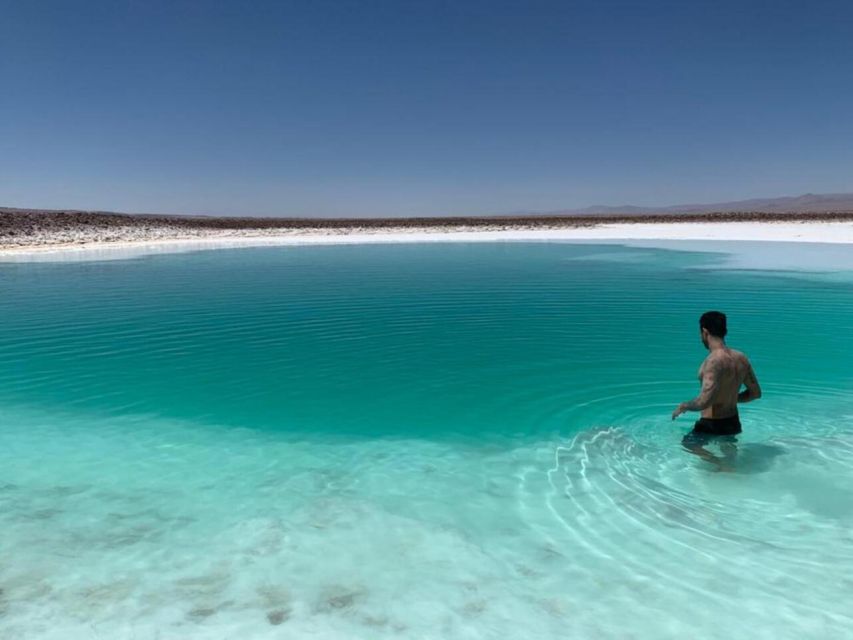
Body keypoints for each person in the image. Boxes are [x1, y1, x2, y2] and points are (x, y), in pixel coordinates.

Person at [672, 311, 762, 469]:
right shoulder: (741, 357)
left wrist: (684, 405)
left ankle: (719, 465)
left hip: (711, 424)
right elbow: (755, 394)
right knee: (730, 456)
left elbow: (704, 401)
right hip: (733, 422)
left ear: (704, 332)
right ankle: (730, 473)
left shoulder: (713, 361)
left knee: (688, 444)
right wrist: (732, 397)